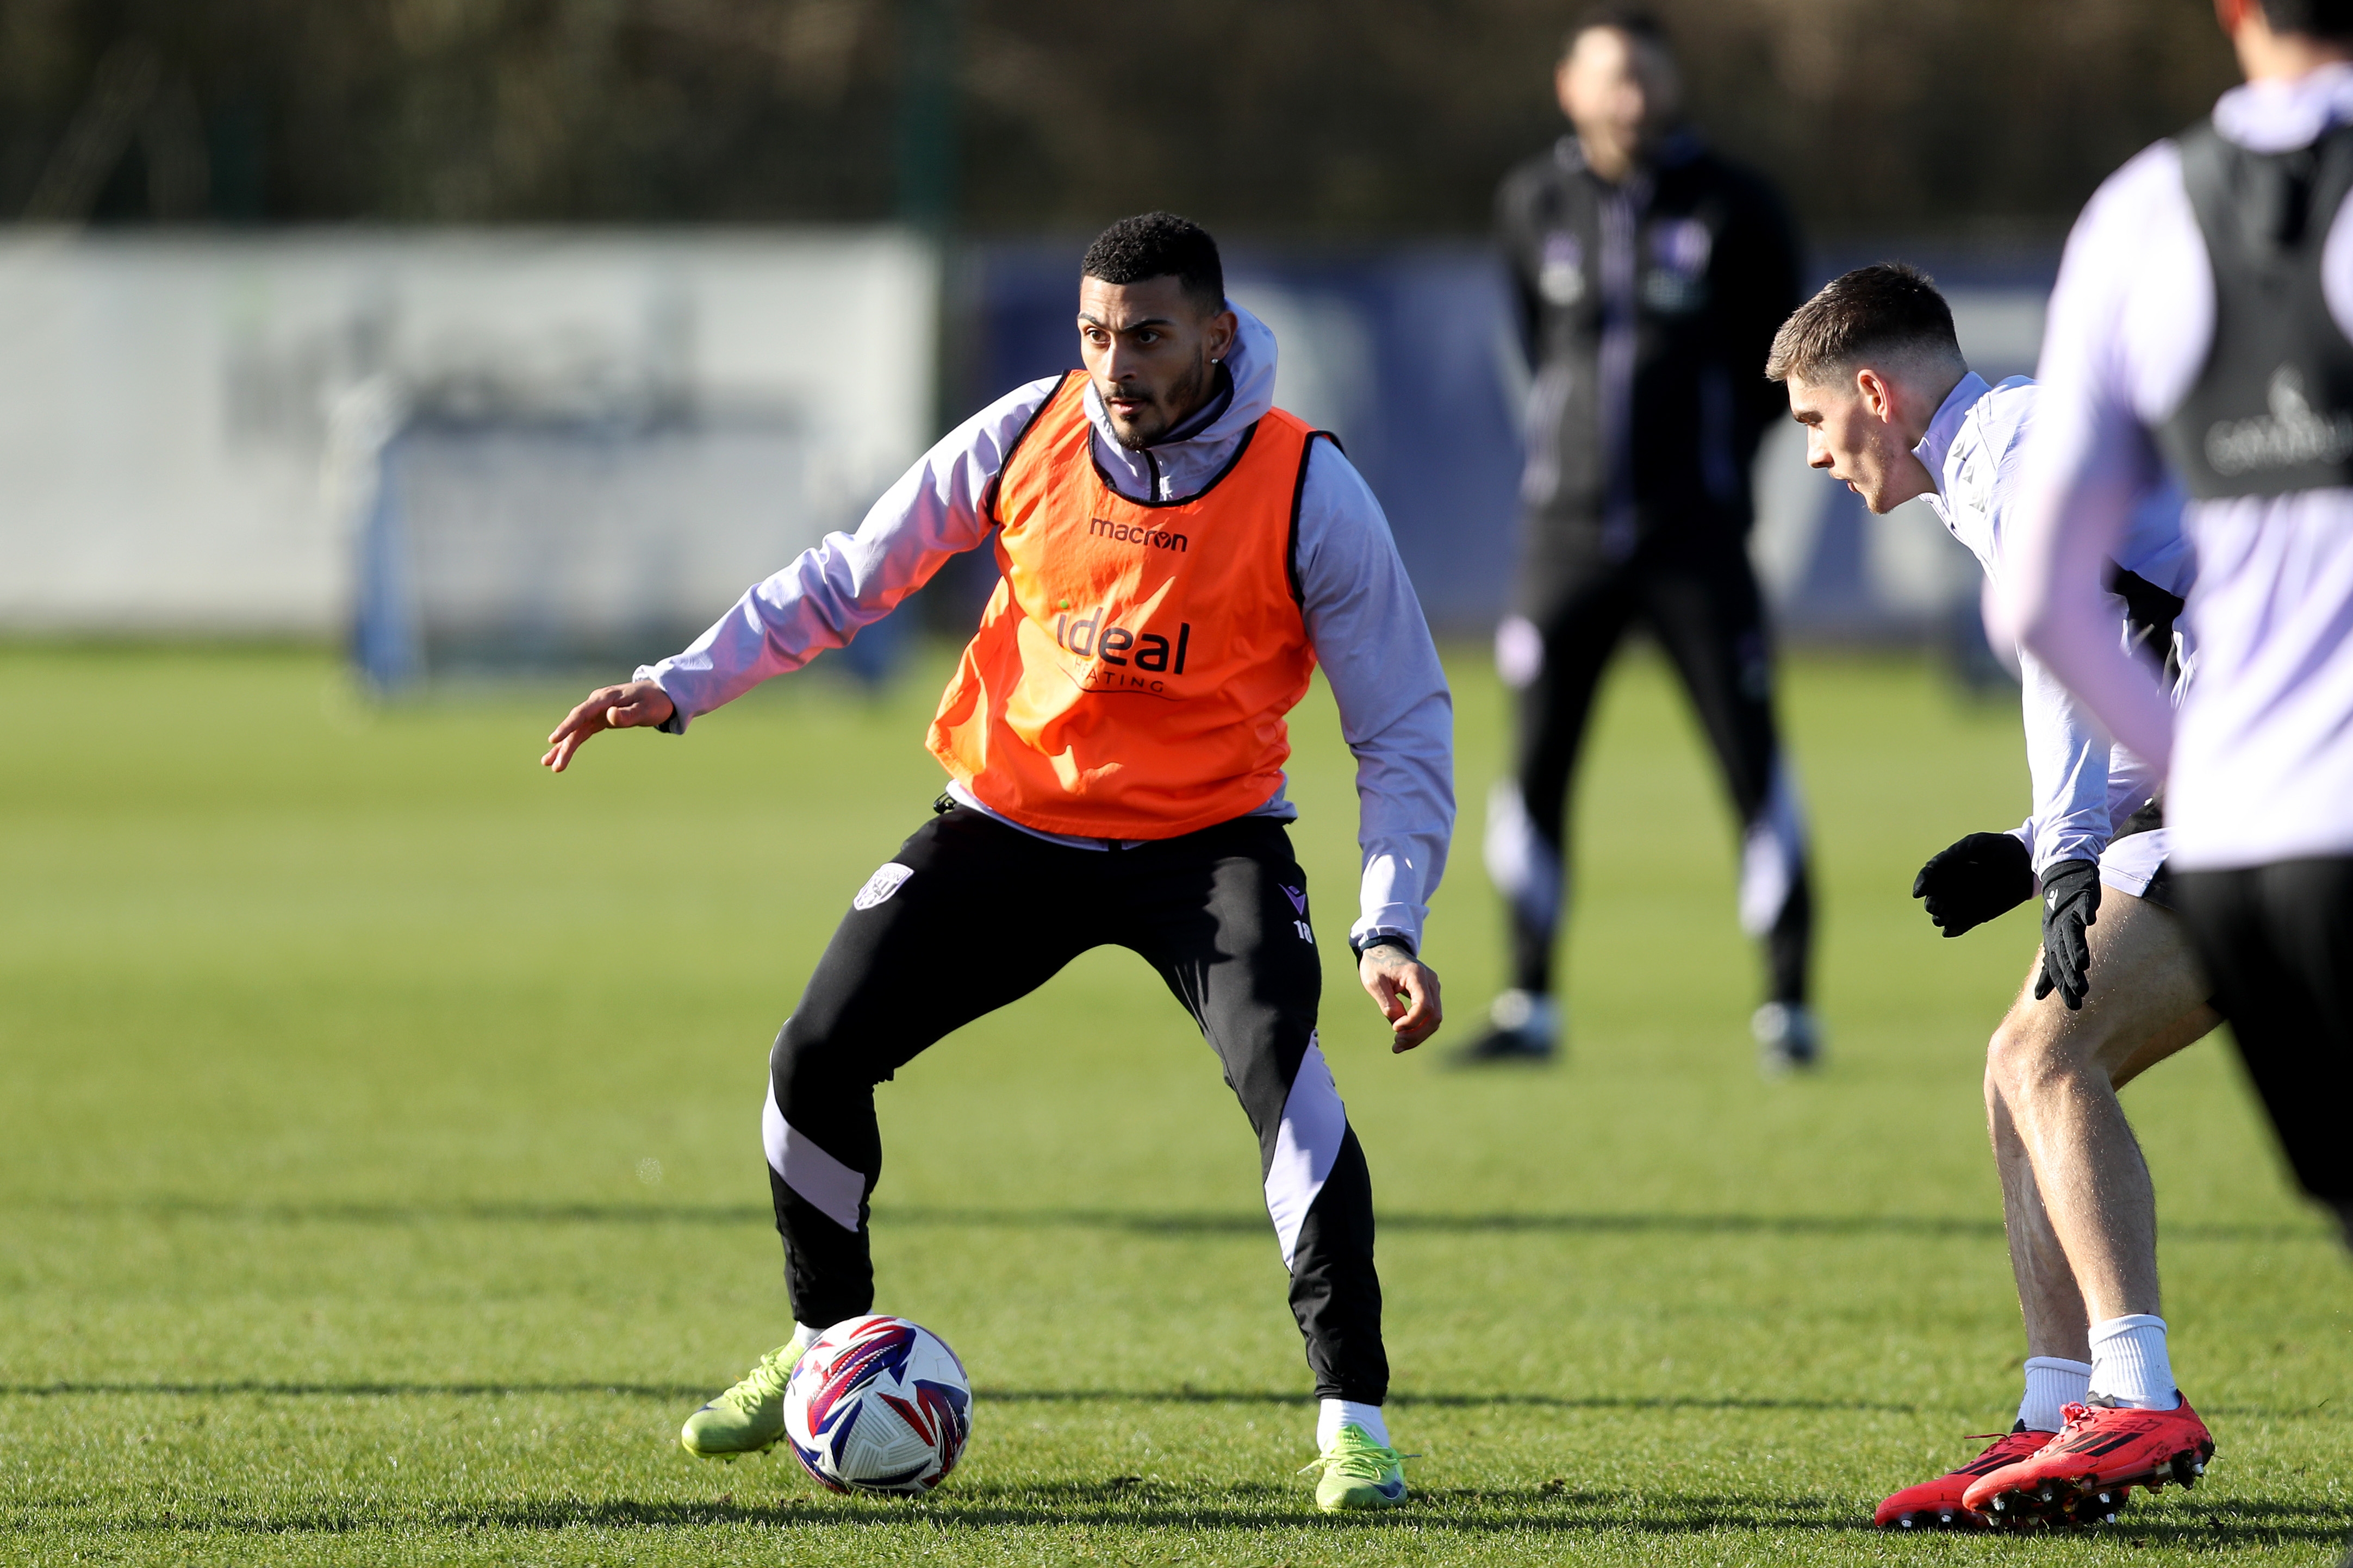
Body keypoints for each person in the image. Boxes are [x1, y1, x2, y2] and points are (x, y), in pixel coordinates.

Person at [540, 213, 1453, 1513]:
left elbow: (1402, 724)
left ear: (1218, 337)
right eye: (1095, 335)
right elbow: (852, 579)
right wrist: (675, 686)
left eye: (1146, 336)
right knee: (812, 1056)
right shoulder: (1025, 431)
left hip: (1207, 848)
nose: (1116, 364)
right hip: (1007, 826)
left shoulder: (1309, 487)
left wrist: (1388, 923)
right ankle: (822, 1350)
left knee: (1283, 1078)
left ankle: (1351, 1423)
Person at [1767, 264, 2218, 1531]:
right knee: (2018, 1062)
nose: (1811, 455)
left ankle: (2133, 1396)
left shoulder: (2015, 455)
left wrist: (2066, 848)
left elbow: (2065, 652)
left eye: (1812, 421)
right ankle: (2057, 1410)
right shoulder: (2011, 453)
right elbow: (2147, 675)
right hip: (2247, 774)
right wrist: (2039, 846)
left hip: (2296, 775)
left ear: (1872, 392)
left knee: (2045, 1055)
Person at [1998, 0, 2353, 1546]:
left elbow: (2041, 601)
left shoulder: (2143, 213)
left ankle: (2095, 1388)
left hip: (2261, 827)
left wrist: (2183, 776)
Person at [1473, 3, 1816, 1070]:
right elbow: (1539, 348)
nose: (1628, 97)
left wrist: (1710, 458)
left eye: (1645, 77)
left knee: (1750, 759)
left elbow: (1784, 365)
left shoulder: (1737, 205)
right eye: (1607, 77)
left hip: (1696, 538)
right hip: (1564, 539)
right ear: (1568, 88)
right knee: (1534, 765)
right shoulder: (1531, 204)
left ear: (1671, 86)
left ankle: (1787, 1007)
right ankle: (1526, 1001)